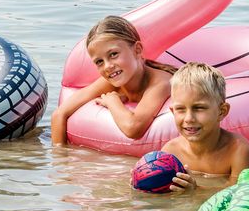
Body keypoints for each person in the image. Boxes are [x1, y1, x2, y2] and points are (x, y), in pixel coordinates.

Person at [51, 15, 175, 144]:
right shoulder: (111, 80)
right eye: (99, 61)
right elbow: (59, 114)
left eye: (113, 54)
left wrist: (112, 101)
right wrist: (60, 158)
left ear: (137, 49)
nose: (108, 66)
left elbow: (133, 129)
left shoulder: (161, 82)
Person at [160, 62, 249, 190]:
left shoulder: (238, 151)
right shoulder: (171, 152)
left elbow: (239, 197)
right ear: (173, 111)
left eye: (199, 108)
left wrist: (196, 191)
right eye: (180, 109)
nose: (189, 118)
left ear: (222, 111)